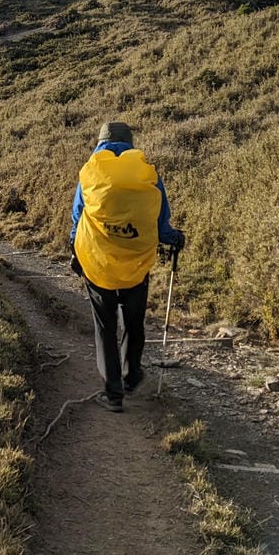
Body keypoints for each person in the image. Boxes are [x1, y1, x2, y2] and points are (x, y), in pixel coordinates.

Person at [70, 121, 185, 412]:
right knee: (133, 322)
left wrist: (75, 249)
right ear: (130, 143)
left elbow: (78, 217)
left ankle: (113, 395)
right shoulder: (147, 175)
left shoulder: (91, 172)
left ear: (100, 143)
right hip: (136, 264)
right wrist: (174, 238)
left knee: (105, 327)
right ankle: (131, 376)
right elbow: (160, 221)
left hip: (98, 264)